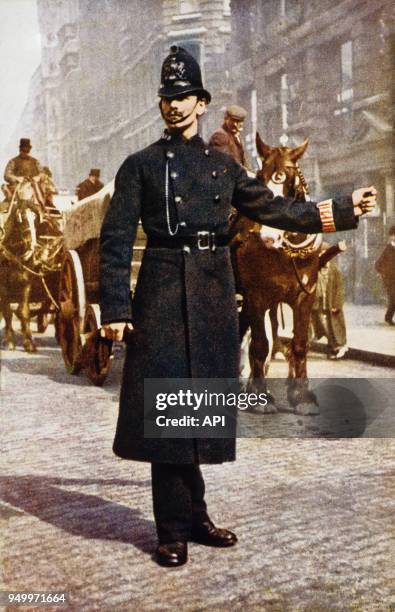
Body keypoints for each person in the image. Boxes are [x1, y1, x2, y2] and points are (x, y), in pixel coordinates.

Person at [99, 45, 377, 568]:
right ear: (162, 106)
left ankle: (196, 514)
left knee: (198, 407)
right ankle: (171, 528)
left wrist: (342, 208)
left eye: (184, 97)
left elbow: (279, 209)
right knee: (168, 409)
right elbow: (115, 241)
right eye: (167, 98)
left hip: (211, 290)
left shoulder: (221, 168)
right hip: (160, 291)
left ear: (201, 103)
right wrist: (116, 306)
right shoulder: (138, 167)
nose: (175, 106)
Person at [311, 250, 348, 359]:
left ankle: (339, 346)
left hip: (331, 304)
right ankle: (332, 346)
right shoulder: (316, 269)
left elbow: (340, 289)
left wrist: (337, 304)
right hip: (320, 303)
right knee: (324, 325)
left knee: (334, 326)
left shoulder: (335, 270)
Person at [375, 226, 395, 325]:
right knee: (393, 299)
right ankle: (388, 318)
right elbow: (378, 264)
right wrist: (385, 273)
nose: (394, 237)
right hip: (389, 280)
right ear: (390, 236)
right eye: (393, 235)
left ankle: (388, 317)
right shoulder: (387, 249)